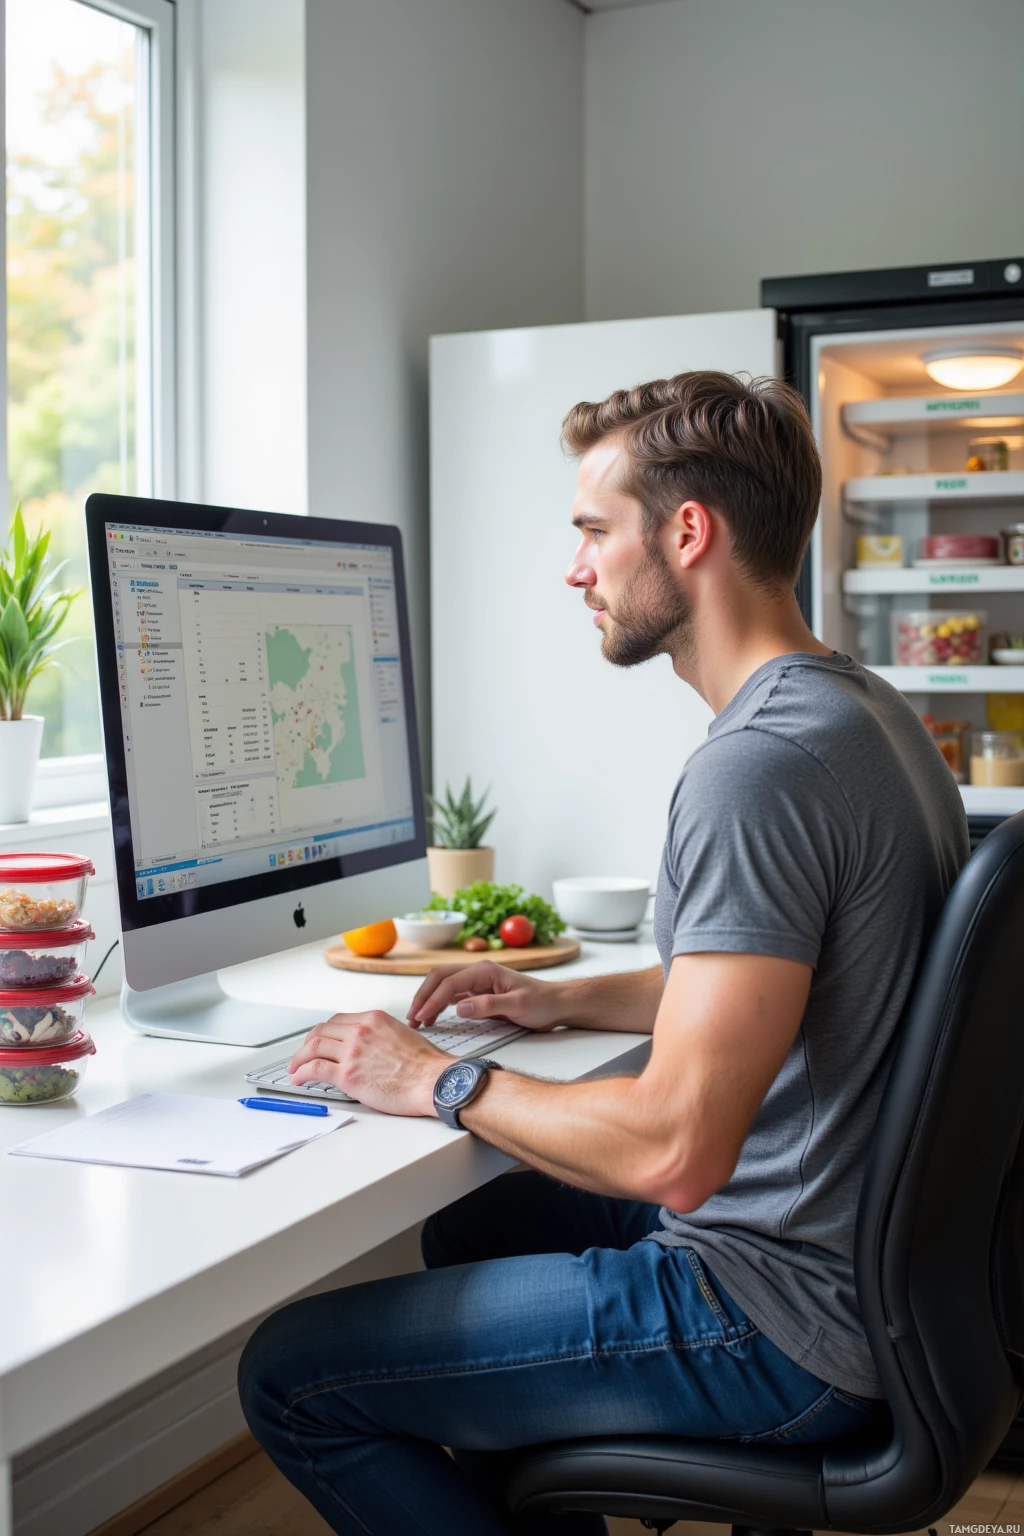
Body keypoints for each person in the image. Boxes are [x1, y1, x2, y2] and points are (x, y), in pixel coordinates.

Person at [238, 371, 969, 1536]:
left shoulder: (756, 768)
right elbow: (784, 977)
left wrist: (437, 1078)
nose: (575, 569)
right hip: (871, 1279)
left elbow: (675, 1150)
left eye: (592, 531)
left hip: (776, 1315)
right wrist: (558, 1001)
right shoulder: (860, 713)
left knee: (289, 1375)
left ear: (686, 534)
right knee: (475, 1231)